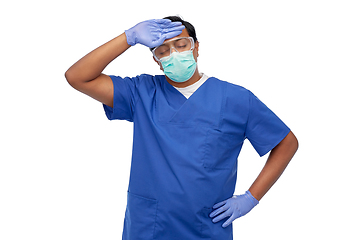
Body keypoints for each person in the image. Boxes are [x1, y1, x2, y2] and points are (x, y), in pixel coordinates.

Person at [65, 16, 298, 240]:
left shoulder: (236, 98)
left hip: (205, 227)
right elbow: (77, 77)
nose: (173, 54)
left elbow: (286, 142)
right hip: (148, 227)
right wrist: (129, 37)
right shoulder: (141, 92)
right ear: (156, 60)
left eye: (181, 44)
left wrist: (251, 197)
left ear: (196, 48)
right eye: (163, 50)